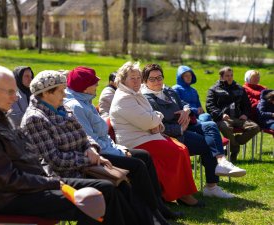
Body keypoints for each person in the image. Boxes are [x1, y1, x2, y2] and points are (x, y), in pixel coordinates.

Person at [0, 66, 132, 225]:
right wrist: (53, 182)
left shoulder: (0, 118)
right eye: (9, 92)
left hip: (34, 186)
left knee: (104, 192)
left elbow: (29, 159)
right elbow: (7, 179)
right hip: (14, 197)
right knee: (94, 199)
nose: (15, 97)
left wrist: (51, 179)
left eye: (15, 92)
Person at [20, 70, 159, 225]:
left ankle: (152, 220)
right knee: (109, 189)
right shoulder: (35, 118)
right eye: (61, 91)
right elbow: (55, 160)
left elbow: (84, 136)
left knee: (121, 185)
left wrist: (91, 148)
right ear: (46, 93)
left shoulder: (62, 109)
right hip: (61, 175)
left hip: (82, 167)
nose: (65, 95)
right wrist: (88, 159)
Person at [64, 66, 183, 222]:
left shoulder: (85, 102)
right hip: (98, 154)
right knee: (138, 165)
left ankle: (158, 208)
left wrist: (117, 148)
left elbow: (151, 119)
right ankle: (152, 213)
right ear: (84, 87)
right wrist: (118, 151)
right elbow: (89, 141)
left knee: (144, 157)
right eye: (94, 83)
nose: (97, 85)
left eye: (138, 77)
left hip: (110, 147)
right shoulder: (77, 106)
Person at [141, 63, 246, 199]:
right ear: (145, 81)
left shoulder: (167, 90)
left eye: (159, 77)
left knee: (209, 124)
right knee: (208, 145)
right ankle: (211, 187)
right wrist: (179, 128)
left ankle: (222, 162)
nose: (157, 81)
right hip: (172, 135)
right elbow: (156, 126)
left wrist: (186, 110)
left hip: (187, 125)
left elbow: (184, 103)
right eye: (152, 79)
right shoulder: (145, 99)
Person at [109, 61, 203, 207]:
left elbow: (151, 117)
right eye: (132, 78)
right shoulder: (124, 98)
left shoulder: (134, 93)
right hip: (136, 141)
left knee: (181, 148)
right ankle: (180, 195)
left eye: (138, 78)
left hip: (148, 135)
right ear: (123, 80)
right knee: (177, 152)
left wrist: (155, 121)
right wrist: (157, 118)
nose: (136, 81)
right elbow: (149, 121)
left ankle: (178, 193)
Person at [206, 66, 260, 162]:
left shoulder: (239, 88)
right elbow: (210, 106)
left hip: (238, 117)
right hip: (223, 119)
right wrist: (221, 115)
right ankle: (235, 150)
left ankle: (232, 144)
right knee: (225, 127)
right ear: (221, 77)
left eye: (231, 75)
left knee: (255, 127)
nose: (230, 77)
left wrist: (245, 114)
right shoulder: (213, 89)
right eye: (227, 76)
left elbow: (247, 104)